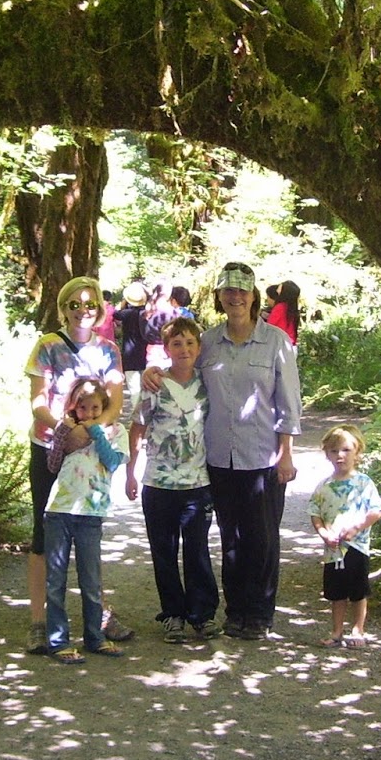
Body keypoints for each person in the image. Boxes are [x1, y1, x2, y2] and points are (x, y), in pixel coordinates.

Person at [146, 261, 301, 641]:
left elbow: (289, 402)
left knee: (262, 537)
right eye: (228, 290)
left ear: (253, 296)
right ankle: (235, 611)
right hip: (216, 457)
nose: (235, 297)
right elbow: (180, 366)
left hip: (262, 454)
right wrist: (154, 373)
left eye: (242, 290)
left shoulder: (276, 342)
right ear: (219, 296)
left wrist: (287, 453)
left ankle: (259, 613)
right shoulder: (209, 340)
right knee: (230, 538)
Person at [25, 276, 132, 655]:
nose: (82, 310)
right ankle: (40, 622)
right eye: (74, 304)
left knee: (88, 529)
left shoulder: (108, 351)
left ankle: (97, 616)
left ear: (100, 308)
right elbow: (38, 400)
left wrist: (88, 432)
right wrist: (62, 428)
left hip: (89, 449)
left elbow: (115, 403)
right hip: (51, 446)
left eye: (89, 304)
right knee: (45, 532)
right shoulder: (48, 346)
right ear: (63, 307)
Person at [126, 317, 220, 642]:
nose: (184, 349)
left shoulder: (208, 385)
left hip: (197, 484)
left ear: (199, 347)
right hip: (158, 484)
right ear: (166, 349)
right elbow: (137, 427)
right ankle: (173, 614)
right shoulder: (155, 386)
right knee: (163, 552)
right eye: (176, 344)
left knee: (197, 550)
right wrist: (130, 471)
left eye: (190, 343)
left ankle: (202, 614)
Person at [43, 379, 128, 664]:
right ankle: (58, 641)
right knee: (56, 580)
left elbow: (113, 462)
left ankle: (95, 636)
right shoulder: (67, 429)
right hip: (60, 510)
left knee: (91, 581)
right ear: (74, 407)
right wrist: (65, 432)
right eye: (83, 407)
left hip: (91, 514)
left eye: (95, 407)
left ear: (103, 407)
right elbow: (52, 464)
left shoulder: (116, 431)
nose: (89, 413)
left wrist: (96, 433)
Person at [308, 424, 381, 647]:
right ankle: (336, 632)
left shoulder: (364, 483)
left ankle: (358, 631)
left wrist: (356, 529)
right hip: (333, 552)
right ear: (327, 454)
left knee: (358, 592)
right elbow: (315, 513)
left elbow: (375, 511)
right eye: (334, 451)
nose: (339, 456)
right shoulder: (324, 486)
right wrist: (323, 534)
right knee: (336, 594)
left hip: (357, 547)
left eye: (345, 450)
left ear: (357, 453)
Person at [112, 281, 151, 413]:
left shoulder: (126, 314)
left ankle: (137, 415)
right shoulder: (147, 313)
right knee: (147, 388)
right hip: (146, 355)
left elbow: (115, 313)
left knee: (134, 390)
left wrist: (123, 303)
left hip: (130, 356)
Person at [266, 280, 300, 347]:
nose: (278, 289)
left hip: (280, 344)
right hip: (290, 344)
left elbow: (269, 326)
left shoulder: (280, 307)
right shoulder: (292, 309)